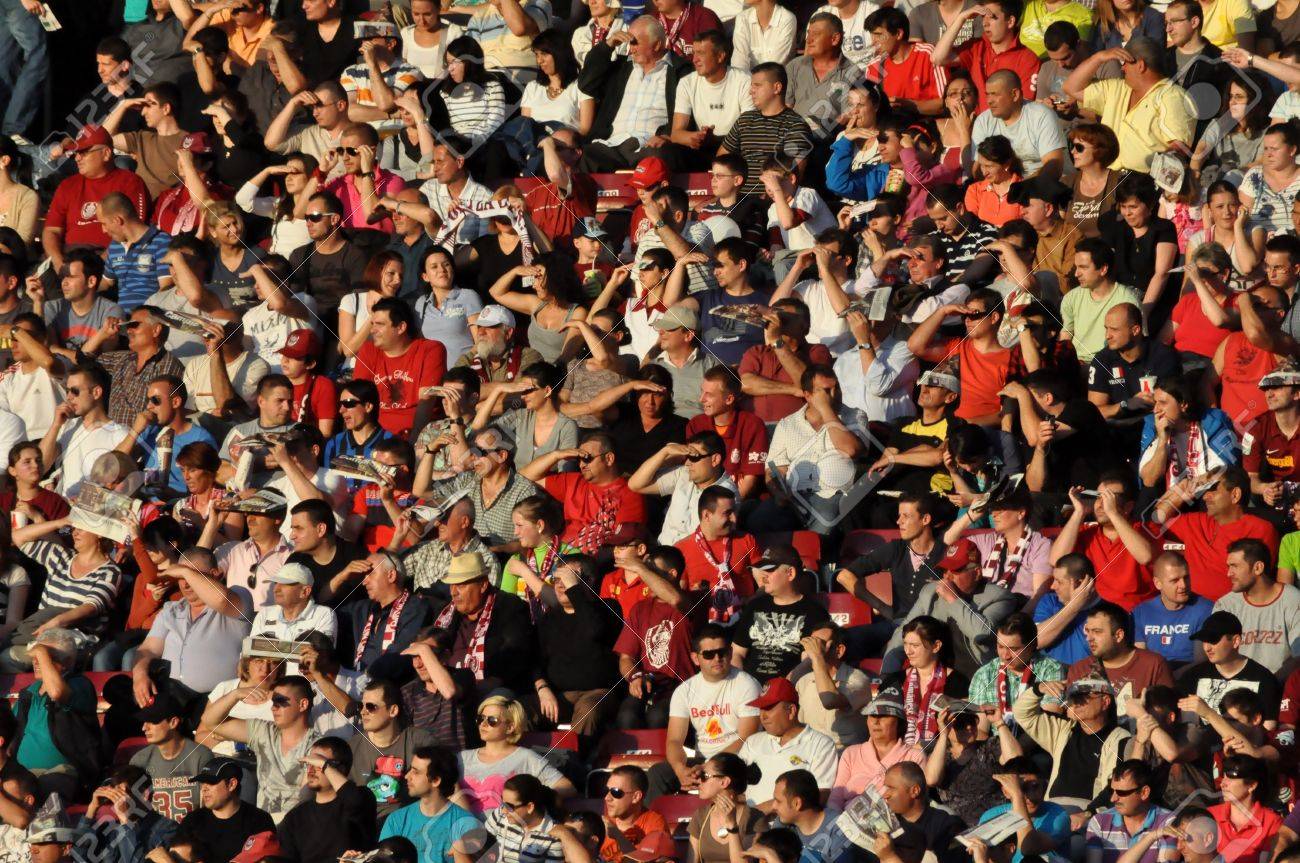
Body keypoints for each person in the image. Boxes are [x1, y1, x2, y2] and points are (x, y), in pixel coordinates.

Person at [649, 623, 761, 800]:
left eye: (722, 652)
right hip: (702, 761)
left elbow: (745, 738)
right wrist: (680, 769)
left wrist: (709, 766)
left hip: (737, 760)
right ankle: (650, 825)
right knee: (658, 773)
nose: (717, 658)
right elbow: (674, 740)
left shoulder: (747, 685)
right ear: (695, 658)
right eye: (709, 654)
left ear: (730, 653)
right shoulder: (684, 690)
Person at [575, 17, 693, 172]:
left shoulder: (681, 71)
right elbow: (586, 84)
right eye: (630, 43)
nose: (631, 48)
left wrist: (667, 137)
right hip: (612, 144)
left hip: (650, 145)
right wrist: (607, 46)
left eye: (635, 42)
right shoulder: (621, 68)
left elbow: (688, 115)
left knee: (661, 157)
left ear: (657, 44)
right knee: (586, 156)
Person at [199, 675, 322, 822]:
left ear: (303, 705)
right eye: (273, 701)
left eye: (281, 701)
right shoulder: (264, 731)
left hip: (298, 827)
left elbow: (305, 798)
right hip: (264, 827)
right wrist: (236, 694)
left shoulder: (318, 746)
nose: (273, 707)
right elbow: (210, 722)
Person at [1064, 39, 1194, 175]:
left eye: (1125, 62)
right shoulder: (1116, 88)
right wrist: (1099, 58)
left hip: (1144, 183)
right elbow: (1071, 87)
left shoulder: (1173, 96)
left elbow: (1179, 148)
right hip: (1108, 179)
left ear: (1140, 65)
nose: (1122, 68)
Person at [1154, 467, 1278, 602]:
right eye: (1205, 490)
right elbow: (1155, 522)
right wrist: (1179, 494)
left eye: (1213, 489)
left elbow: (1257, 583)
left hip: (1236, 614)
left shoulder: (1260, 529)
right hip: (1193, 612)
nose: (1205, 496)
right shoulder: (1195, 522)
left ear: (1235, 495)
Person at [1013, 674, 1132, 811]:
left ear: (1105, 702)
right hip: (1051, 807)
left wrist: (1089, 813)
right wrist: (1038, 689)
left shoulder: (1120, 738)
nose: (1076, 703)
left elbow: (1114, 788)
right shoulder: (1063, 729)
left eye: (1083, 697)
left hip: (1088, 812)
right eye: (1073, 698)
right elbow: (1022, 713)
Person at [41, 126, 149, 267]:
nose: (77, 158)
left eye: (84, 152)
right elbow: (51, 230)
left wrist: (99, 266)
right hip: (67, 257)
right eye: (76, 152)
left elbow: (133, 231)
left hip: (108, 258)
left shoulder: (130, 182)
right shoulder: (67, 185)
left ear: (106, 153)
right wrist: (58, 263)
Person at [457, 695, 576, 816]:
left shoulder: (525, 757)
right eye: (480, 718)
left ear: (510, 727)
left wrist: (527, 802)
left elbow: (566, 787)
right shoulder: (461, 758)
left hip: (504, 831)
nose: (483, 724)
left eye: (492, 720)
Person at [737, 677, 837, 810]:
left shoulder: (821, 745)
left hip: (790, 828)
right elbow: (734, 787)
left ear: (791, 711)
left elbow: (819, 796)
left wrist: (759, 813)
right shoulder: (753, 742)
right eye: (761, 708)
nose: (763, 716)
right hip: (747, 825)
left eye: (768, 708)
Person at [353, 298, 447, 437]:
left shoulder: (430, 349)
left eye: (379, 324)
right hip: (376, 437)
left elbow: (426, 403)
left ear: (401, 327)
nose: (372, 330)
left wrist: (413, 442)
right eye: (372, 324)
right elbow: (358, 401)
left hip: (418, 435)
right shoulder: (368, 350)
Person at [277, 737, 377, 863]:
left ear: (340, 769)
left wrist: (325, 766)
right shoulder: (295, 817)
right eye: (309, 763)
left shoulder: (362, 797)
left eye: (318, 764)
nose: (311, 770)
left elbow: (355, 802)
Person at [930, 0, 1042, 111]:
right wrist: (961, 18)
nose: (985, 23)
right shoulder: (976, 47)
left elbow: (1026, 107)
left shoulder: (1028, 59)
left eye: (991, 17)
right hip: (977, 126)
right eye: (983, 17)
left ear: (1011, 21)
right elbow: (937, 58)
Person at [827, 685, 925, 808]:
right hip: (845, 823)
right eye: (872, 715)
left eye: (883, 715)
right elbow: (835, 798)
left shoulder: (914, 756)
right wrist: (835, 822)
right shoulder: (851, 753)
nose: (876, 721)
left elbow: (916, 804)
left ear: (898, 722)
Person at [1213, 537, 1300, 673]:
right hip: (1237, 688)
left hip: (1280, 685)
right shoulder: (1225, 605)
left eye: (1235, 566)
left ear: (1258, 568)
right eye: (1228, 566)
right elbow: (1218, 657)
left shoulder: (1293, 600)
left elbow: (1298, 658)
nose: (1228, 573)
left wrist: (1269, 683)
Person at [379, 746, 479, 863]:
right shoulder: (397, 819)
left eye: (415, 772)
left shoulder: (466, 824)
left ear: (436, 780)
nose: (407, 776)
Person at [1179, 610, 1281, 718]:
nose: (1207, 648)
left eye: (1213, 640)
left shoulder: (1264, 679)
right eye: (1204, 641)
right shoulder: (1191, 677)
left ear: (1236, 641)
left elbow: (1268, 727)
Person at [129, 695, 213, 821]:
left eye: (152, 721)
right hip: (153, 836)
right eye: (144, 721)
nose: (144, 727)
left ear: (173, 722)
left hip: (192, 834)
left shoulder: (201, 756)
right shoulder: (140, 760)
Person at [972, 71, 1066, 179]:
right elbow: (978, 170)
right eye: (987, 94)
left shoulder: (1042, 115)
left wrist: (1019, 190)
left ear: (1015, 94)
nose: (989, 101)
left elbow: (1054, 166)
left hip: (1041, 188)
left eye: (995, 94)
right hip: (1000, 187)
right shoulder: (983, 121)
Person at [179, 758, 276, 863]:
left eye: (211, 782)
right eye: (202, 783)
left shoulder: (259, 820)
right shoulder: (192, 821)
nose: (204, 789)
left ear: (231, 784)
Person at [1131, 552, 1215, 666]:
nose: (1183, 585)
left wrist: (1169, 678)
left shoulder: (1206, 609)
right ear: (1158, 583)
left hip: (1189, 676)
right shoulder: (1141, 612)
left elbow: (1201, 661)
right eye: (1175, 580)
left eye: (1186, 578)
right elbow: (1140, 659)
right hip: (1154, 675)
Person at [1084, 760, 1175, 863]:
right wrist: (1150, 838)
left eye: (1121, 792)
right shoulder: (1099, 822)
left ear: (1144, 792)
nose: (1113, 799)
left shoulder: (1168, 822)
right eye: (1111, 791)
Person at [881, 762, 965, 863]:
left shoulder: (945, 827)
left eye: (891, 788)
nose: (885, 795)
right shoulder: (886, 824)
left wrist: (889, 857)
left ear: (915, 791)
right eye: (886, 788)